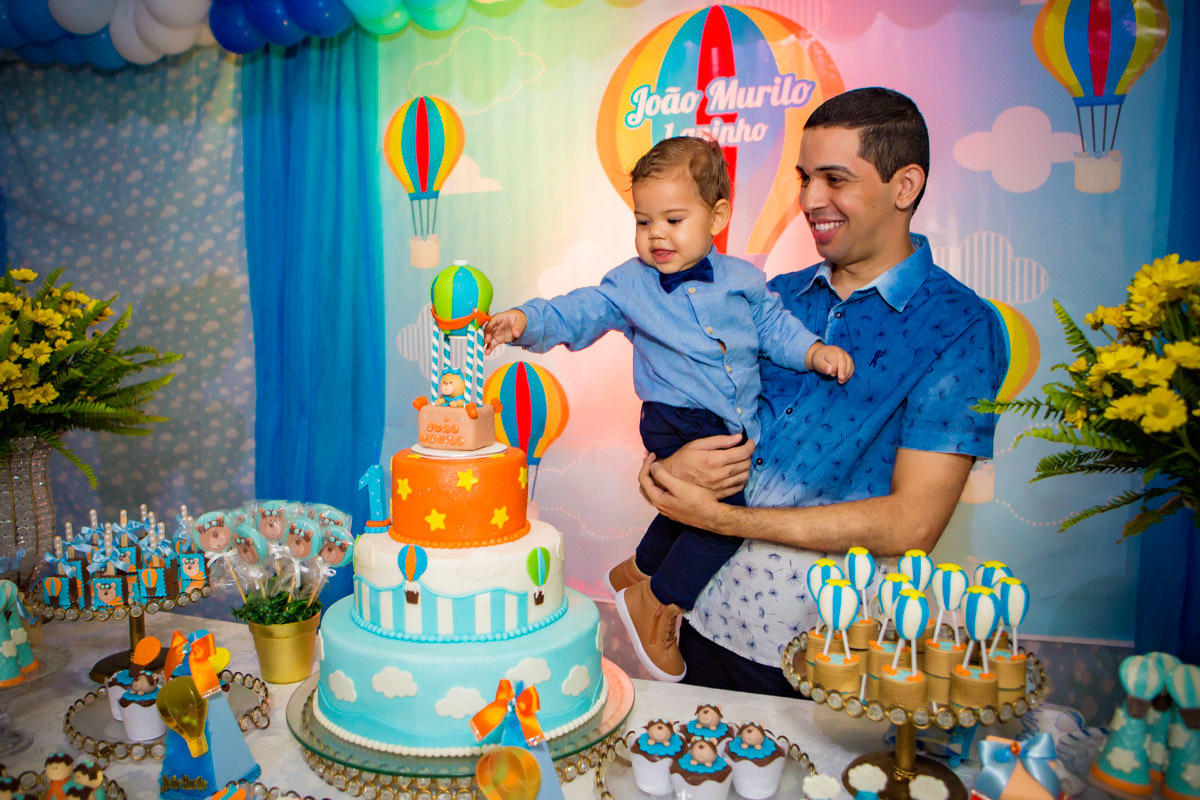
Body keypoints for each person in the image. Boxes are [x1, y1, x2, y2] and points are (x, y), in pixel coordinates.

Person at [636, 88, 1008, 696]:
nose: (809, 200)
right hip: (702, 618)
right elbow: (698, 414)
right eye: (804, 177)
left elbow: (913, 522)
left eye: (835, 179)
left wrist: (722, 518)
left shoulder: (958, 325)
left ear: (904, 186)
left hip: (831, 650)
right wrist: (668, 472)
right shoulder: (771, 293)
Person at [484, 136, 854, 682]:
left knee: (696, 504)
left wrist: (814, 351)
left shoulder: (745, 281)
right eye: (643, 221)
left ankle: (639, 569)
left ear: (718, 215)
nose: (656, 234)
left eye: (674, 220)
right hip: (676, 415)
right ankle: (658, 601)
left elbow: (775, 330)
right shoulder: (631, 283)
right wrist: (526, 320)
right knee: (726, 519)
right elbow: (582, 309)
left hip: (732, 421)